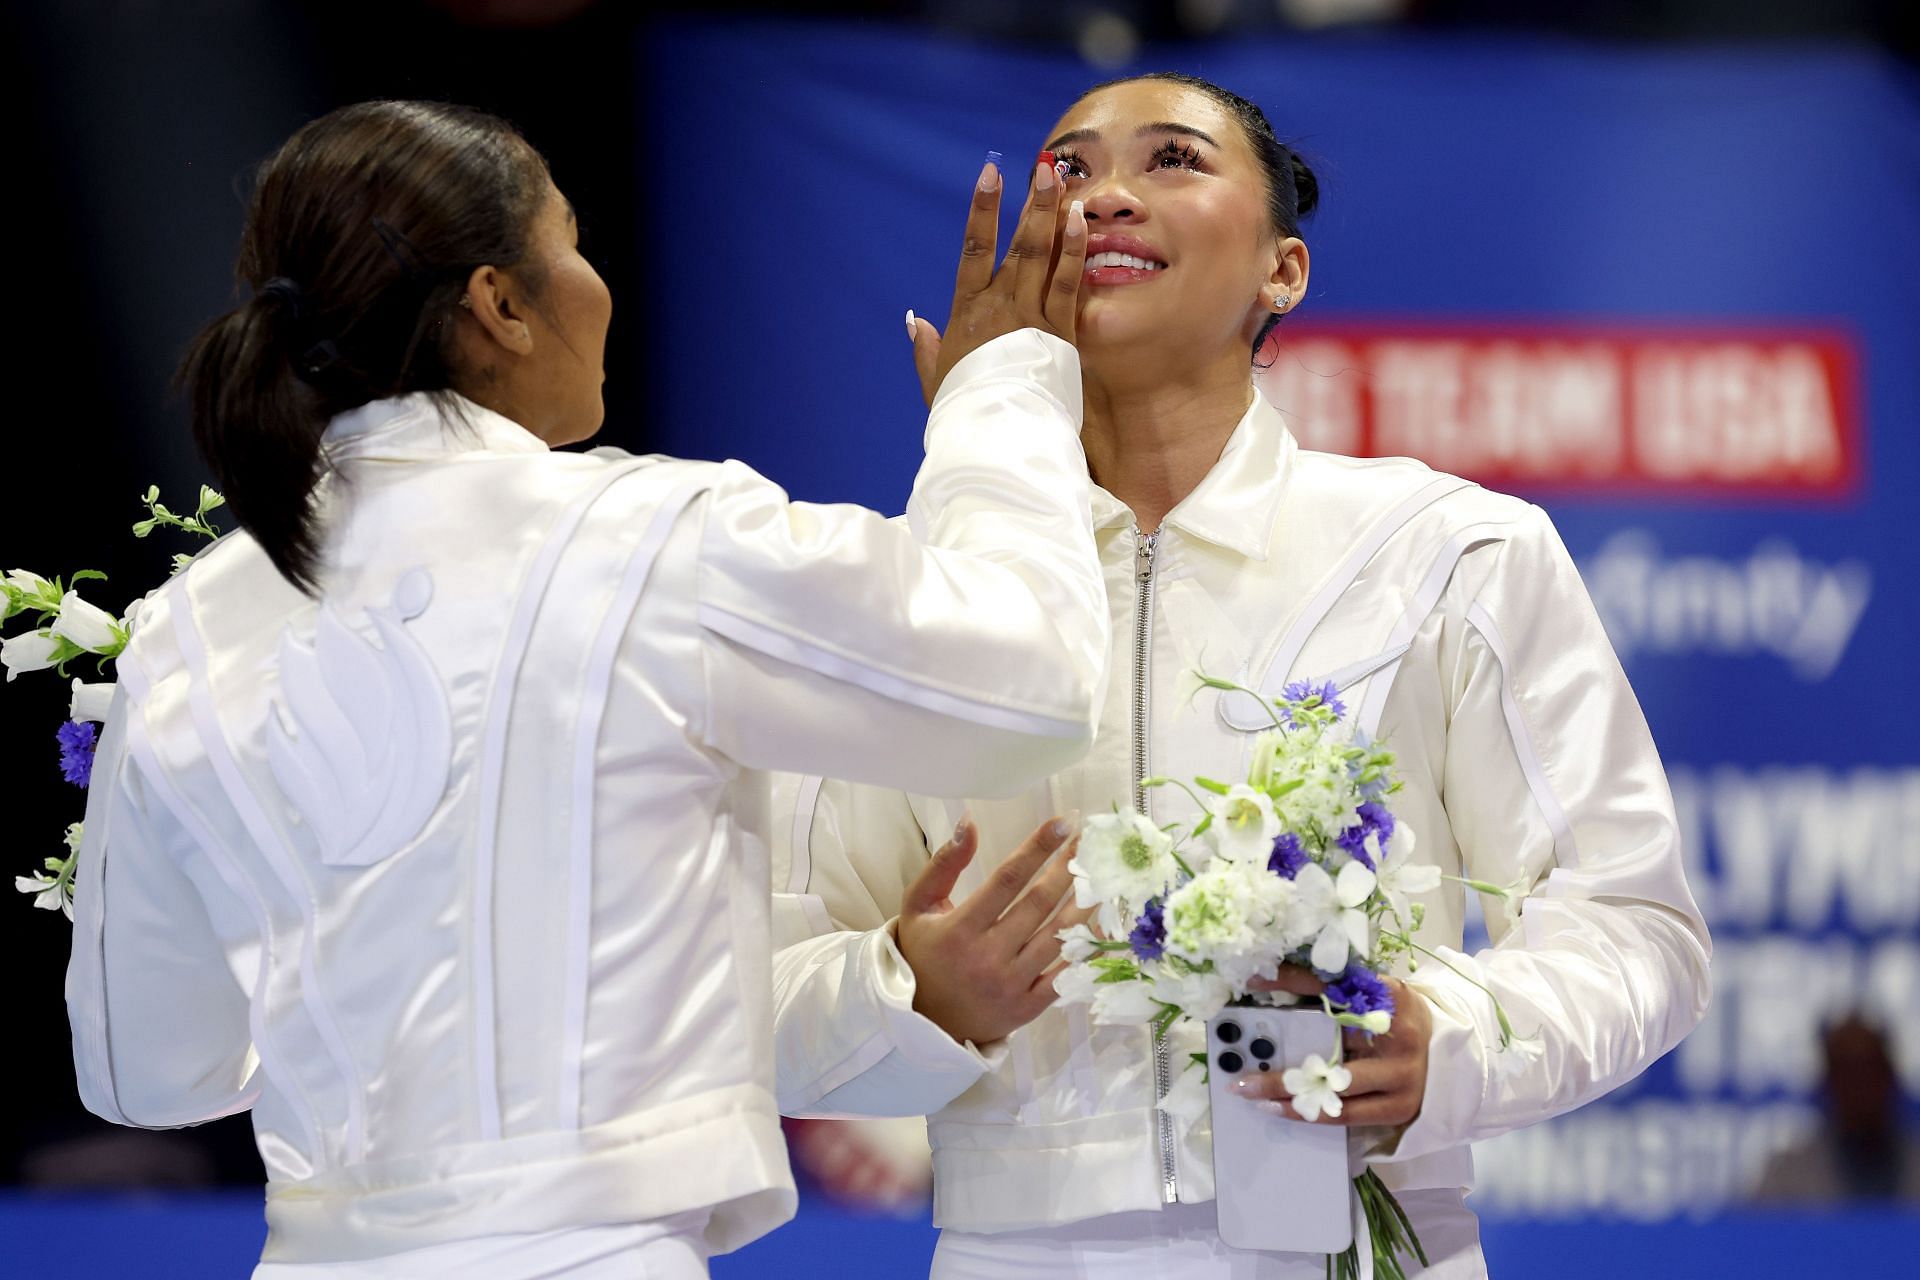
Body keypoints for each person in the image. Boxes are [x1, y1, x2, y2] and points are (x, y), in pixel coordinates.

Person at [64, 99, 1110, 1279]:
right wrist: (1007, 390)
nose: (598, 283)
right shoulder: (649, 539)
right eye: (571, 240)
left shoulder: (181, 631)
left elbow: (146, 1068)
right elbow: (1033, 682)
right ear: (499, 305)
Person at [770, 72, 1712, 1277]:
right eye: (1069, 168)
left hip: (1369, 1240)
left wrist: (1450, 1043)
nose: (1106, 195)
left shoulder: (1446, 551)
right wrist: (912, 994)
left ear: (1284, 271)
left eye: (1171, 159)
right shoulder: (908, 587)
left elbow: (1637, 927)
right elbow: (763, 999)